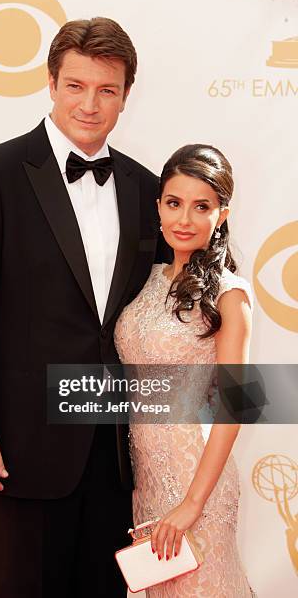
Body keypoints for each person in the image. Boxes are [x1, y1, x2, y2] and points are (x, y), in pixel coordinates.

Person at [0, 17, 171, 598]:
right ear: (52, 83)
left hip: (114, 457)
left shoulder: (145, 187)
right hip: (15, 453)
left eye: (106, 90)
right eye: (76, 86)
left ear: (125, 96)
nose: (90, 104)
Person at [114, 144, 257, 596]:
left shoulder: (230, 295)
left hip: (198, 484)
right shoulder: (147, 279)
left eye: (202, 207)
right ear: (158, 206)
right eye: (174, 203)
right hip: (146, 481)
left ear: (223, 214)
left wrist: (193, 503)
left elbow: (236, 406)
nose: (184, 220)